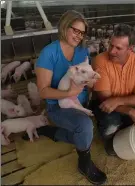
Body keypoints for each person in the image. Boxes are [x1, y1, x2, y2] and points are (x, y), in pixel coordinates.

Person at [22, 10, 107, 185]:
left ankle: (51, 131)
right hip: (59, 105)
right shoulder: (49, 53)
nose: (78, 36)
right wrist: (70, 93)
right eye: (75, 30)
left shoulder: (82, 51)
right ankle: (84, 163)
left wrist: (92, 80)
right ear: (64, 26)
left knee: (87, 130)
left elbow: (87, 79)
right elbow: (44, 91)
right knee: (85, 126)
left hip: (81, 102)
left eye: (82, 32)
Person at [90, 24, 135, 156]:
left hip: (125, 102)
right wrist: (131, 111)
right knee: (112, 123)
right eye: (111, 45)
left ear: (131, 48)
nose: (111, 51)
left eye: (118, 48)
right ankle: (109, 143)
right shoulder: (100, 60)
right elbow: (105, 99)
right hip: (102, 103)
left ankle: (126, 138)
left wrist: (119, 102)